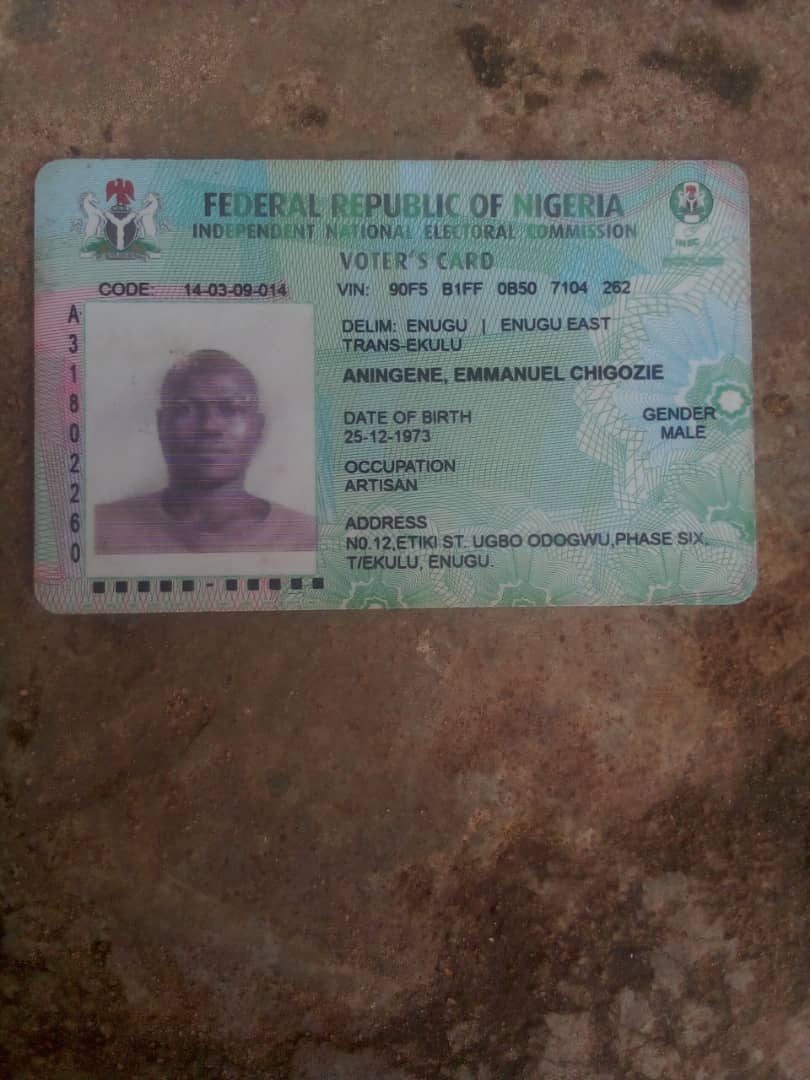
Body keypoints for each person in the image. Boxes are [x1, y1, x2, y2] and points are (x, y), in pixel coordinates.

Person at [95, 349, 316, 554]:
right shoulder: (100, 530)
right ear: (161, 425)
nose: (209, 426)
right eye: (186, 409)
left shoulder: (308, 538)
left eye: (230, 409)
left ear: (258, 428)